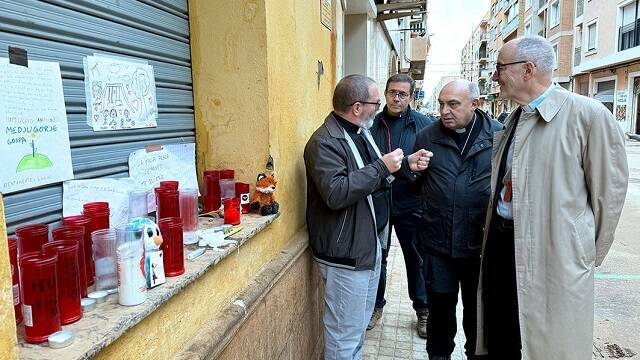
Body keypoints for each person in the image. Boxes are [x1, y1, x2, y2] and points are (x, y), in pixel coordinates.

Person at [476, 35, 629, 360]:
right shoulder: (513, 118)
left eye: (500, 68)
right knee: (502, 338)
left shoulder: (588, 116)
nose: (494, 77)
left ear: (527, 70)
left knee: (549, 347)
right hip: (502, 250)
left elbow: (609, 200)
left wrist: (581, 256)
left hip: (555, 260)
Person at [305, 74, 424, 359]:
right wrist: (383, 167)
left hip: (367, 247)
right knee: (344, 335)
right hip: (346, 255)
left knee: (357, 329)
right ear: (358, 107)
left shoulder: (360, 132)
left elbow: (372, 178)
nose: (379, 107)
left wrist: (404, 165)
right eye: (376, 102)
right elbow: (335, 193)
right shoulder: (324, 142)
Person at [402, 79, 501, 360]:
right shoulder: (427, 136)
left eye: (453, 104)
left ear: (475, 104)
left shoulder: (499, 136)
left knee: (477, 316)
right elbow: (414, 185)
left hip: (479, 247)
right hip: (437, 244)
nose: (444, 110)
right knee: (440, 314)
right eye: (442, 104)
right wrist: (412, 170)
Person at [368, 74, 435, 337]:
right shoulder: (371, 123)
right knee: (377, 259)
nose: (396, 98)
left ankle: (423, 310)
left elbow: (431, 165)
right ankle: (375, 306)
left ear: (411, 96)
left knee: (416, 260)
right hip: (379, 204)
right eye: (392, 92)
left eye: (402, 94)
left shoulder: (424, 126)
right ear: (385, 94)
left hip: (412, 205)